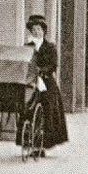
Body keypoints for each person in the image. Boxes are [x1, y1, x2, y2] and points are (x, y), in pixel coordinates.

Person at [25, 19, 69, 152]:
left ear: (43, 31)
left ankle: (44, 143)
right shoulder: (28, 47)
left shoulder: (50, 47)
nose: (36, 32)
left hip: (46, 81)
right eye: (33, 30)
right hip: (32, 81)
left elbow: (53, 65)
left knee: (47, 107)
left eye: (38, 29)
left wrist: (41, 70)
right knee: (27, 105)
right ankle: (28, 139)